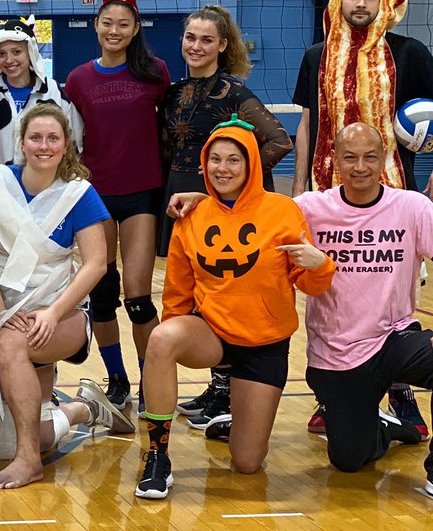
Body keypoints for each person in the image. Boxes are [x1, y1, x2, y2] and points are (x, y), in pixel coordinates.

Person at [134, 117, 334, 500]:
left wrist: (319, 265)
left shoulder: (282, 212)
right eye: (215, 160)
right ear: (205, 163)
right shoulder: (191, 215)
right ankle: (158, 455)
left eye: (233, 161)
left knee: (247, 462)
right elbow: (178, 291)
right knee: (161, 338)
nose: (222, 169)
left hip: (264, 344)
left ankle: (236, 417)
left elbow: (311, 284)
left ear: (251, 165)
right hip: (213, 333)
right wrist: (176, 339)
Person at [291, 0, 433, 435]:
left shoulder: (409, 53)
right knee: (330, 289)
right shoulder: (316, 55)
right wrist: (297, 190)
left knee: (390, 290)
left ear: (386, 2)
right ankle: (334, 394)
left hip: (393, 190)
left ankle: (400, 388)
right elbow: (308, 122)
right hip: (328, 192)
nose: (361, 3)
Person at [0, 103, 133, 487]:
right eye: (36, 138)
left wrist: (54, 314)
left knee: (11, 344)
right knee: (38, 433)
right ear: (21, 142)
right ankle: (86, 408)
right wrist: (1, 315)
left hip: (62, 317)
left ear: (66, 145)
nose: (44, 146)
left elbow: (96, 263)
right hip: (5, 312)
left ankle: (28, 463)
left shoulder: (78, 194)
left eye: (53, 138)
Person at [159, 5, 292, 427]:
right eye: (190, 38)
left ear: (222, 45)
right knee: (202, 289)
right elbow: (171, 150)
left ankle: (229, 391)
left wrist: (229, 186)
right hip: (184, 202)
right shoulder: (173, 92)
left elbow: (279, 140)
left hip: (221, 206)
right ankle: (219, 389)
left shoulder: (233, 92)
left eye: (206, 40)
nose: (196, 46)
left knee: (228, 282)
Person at [297, 123, 432, 484]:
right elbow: (254, 215)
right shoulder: (310, 208)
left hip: (394, 339)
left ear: (384, 156)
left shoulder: (412, 207)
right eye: (350, 157)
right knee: (349, 460)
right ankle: (386, 428)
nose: (360, 167)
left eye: (370, 157)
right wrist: (200, 200)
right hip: (336, 353)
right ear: (334, 159)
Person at [64, 0, 171, 416]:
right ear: (96, 26)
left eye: (123, 24)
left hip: (142, 191)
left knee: (139, 298)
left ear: (136, 29)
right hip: (96, 193)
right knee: (103, 294)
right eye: (107, 22)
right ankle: (118, 379)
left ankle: (151, 380)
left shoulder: (155, 73)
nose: (114, 30)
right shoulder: (78, 80)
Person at [0, 16, 81, 169]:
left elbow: (73, 139)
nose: (9, 60)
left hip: (46, 184)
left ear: (30, 52)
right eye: (1, 54)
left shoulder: (53, 92)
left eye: (17, 51)